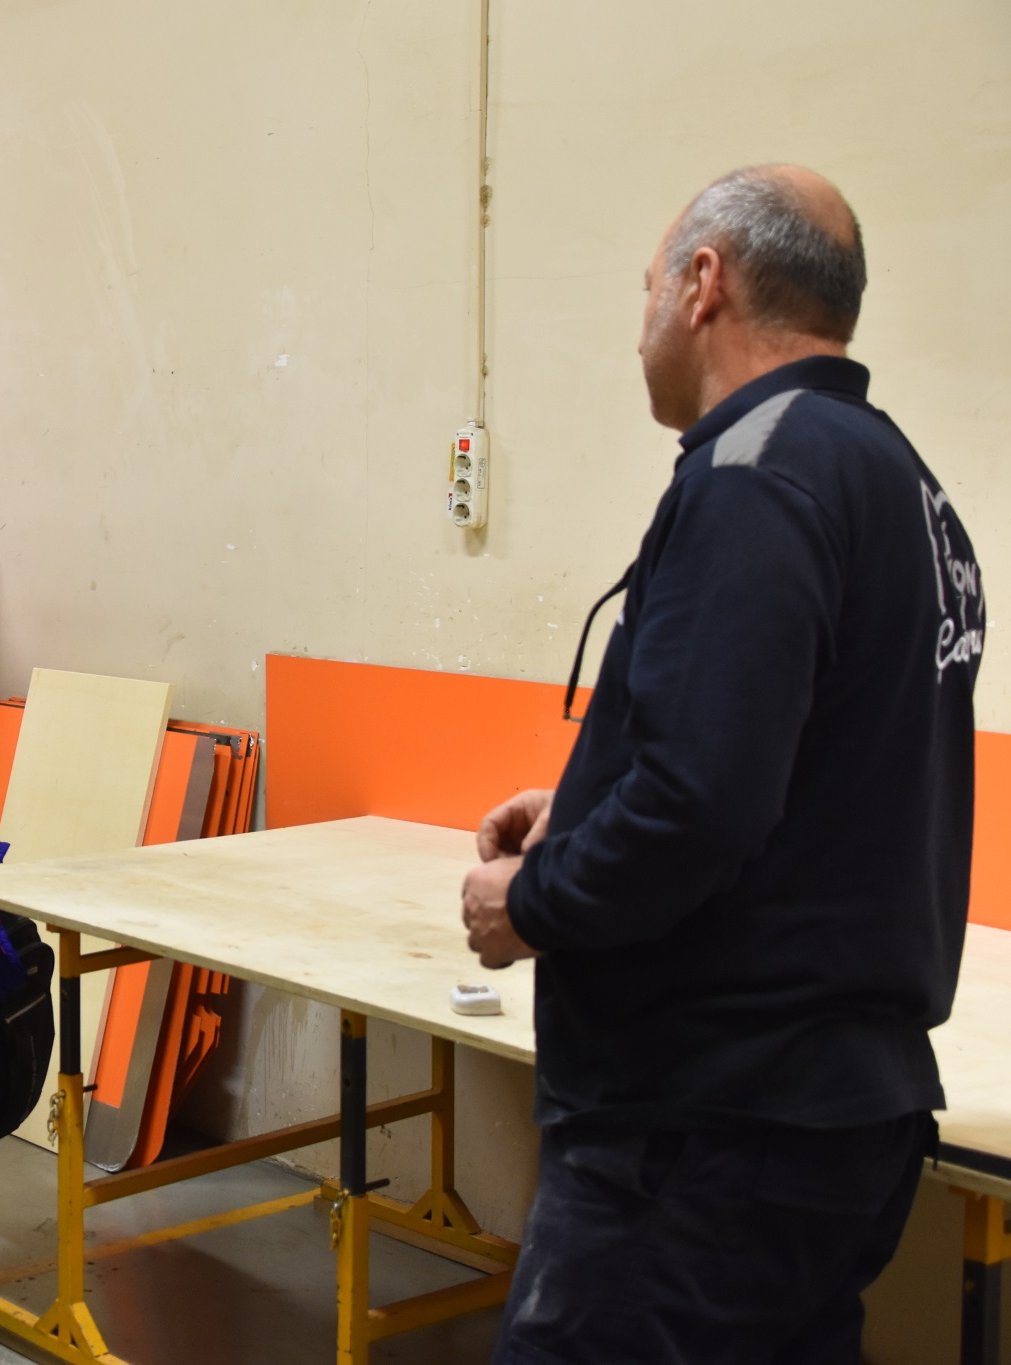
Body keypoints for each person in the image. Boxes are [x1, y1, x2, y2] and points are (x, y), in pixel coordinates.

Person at [462, 166, 984, 1363]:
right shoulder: (904, 487)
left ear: (702, 284)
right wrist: (584, 804)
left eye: (646, 282)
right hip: (831, 1121)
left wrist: (527, 902)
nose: (639, 317)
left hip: (703, 1130)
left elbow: (698, 804)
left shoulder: (753, 477)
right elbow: (820, 769)